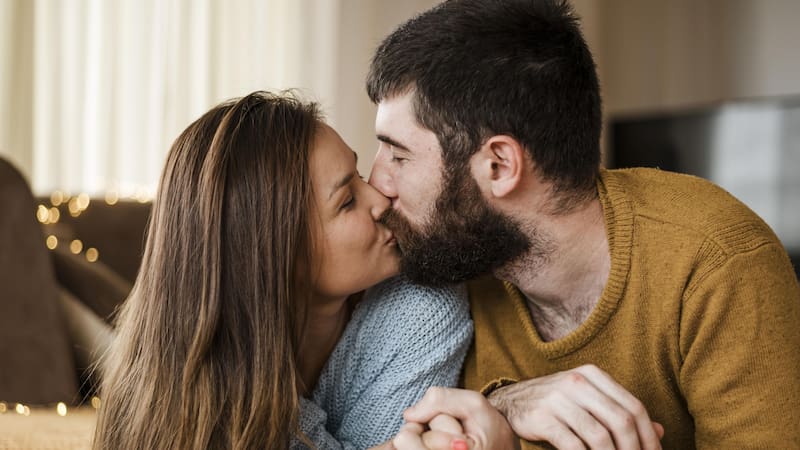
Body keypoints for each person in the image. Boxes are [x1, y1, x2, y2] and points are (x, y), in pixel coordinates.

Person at [365, 0, 800, 449]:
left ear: (498, 166)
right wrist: (507, 405)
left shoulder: (717, 262)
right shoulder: (450, 264)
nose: (377, 185)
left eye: (398, 156)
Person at [92, 91, 472, 449]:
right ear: (275, 255)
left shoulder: (422, 306)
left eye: (357, 174)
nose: (381, 198)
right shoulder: (167, 385)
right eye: (346, 201)